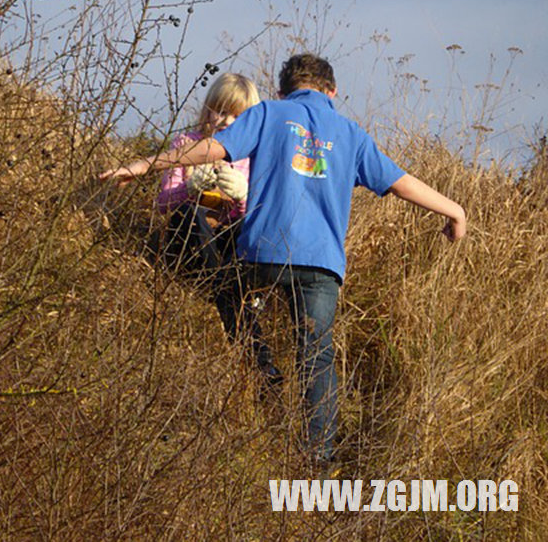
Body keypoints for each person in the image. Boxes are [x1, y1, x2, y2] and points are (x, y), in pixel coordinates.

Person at [100, 54, 466, 466]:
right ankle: (318, 463)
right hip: (320, 266)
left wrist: (144, 164)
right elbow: (401, 184)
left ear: (282, 90)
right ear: (333, 92)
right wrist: (455, 210)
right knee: (316, 356)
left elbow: (210, 150)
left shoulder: (268, 113)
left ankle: (258, 366)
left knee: (229, 290)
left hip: (262, 252)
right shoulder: (351, 134)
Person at [147, 72, 279, 383]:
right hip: (189, 243)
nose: (225, 121)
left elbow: (262, 215)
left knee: (246, 231)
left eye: (237, 116)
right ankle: (230, 293)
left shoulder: (254, 157)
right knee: (190, 215)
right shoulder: (185, 144)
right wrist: (189, 189)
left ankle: (261, 365)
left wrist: (243, 198)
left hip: (227, 248)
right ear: (206, 108)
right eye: (219, 110)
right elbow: (163, 204)